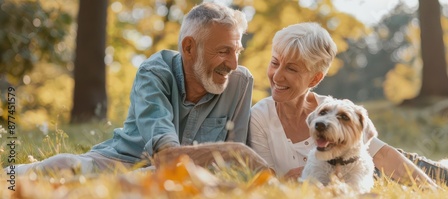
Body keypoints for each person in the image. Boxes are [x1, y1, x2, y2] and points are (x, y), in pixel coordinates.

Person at [8, 2, 262, 175]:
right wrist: (232, 151)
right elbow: (168, 158)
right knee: (64, 165)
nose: (233, 64)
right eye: (223, 51)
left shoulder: (241, 82)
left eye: (237, 51)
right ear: (188, 48)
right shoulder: (155, 72)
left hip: (190, 175)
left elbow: (234, 168)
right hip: (124, 162)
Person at [249, 22, 448, 189]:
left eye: (291, 69)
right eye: (275, 63)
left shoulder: (330, 108)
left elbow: (382, 155)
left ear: (315, 79)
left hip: (376, 168)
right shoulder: (259, 117)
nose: (277, 76)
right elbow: (265, 179)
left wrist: (431, 190)